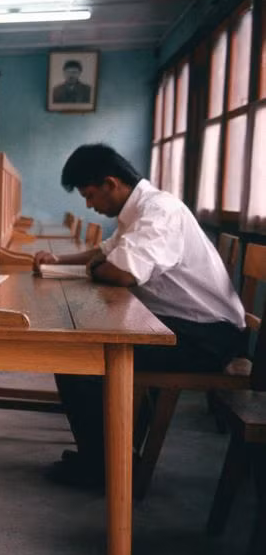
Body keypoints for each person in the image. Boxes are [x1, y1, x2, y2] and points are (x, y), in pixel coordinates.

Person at [32, 144, 246, 489]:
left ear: (110, 183)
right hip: (189, 325)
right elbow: (106, 253)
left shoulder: (159, 211)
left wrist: (99, 267)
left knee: (80, 360)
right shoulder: (137, 212)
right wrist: (60, 262)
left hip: (207, 338)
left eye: (89, 195)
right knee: (89, 345)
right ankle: (110, 454)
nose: (89, 205)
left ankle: (103, 470)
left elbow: (122, 273)